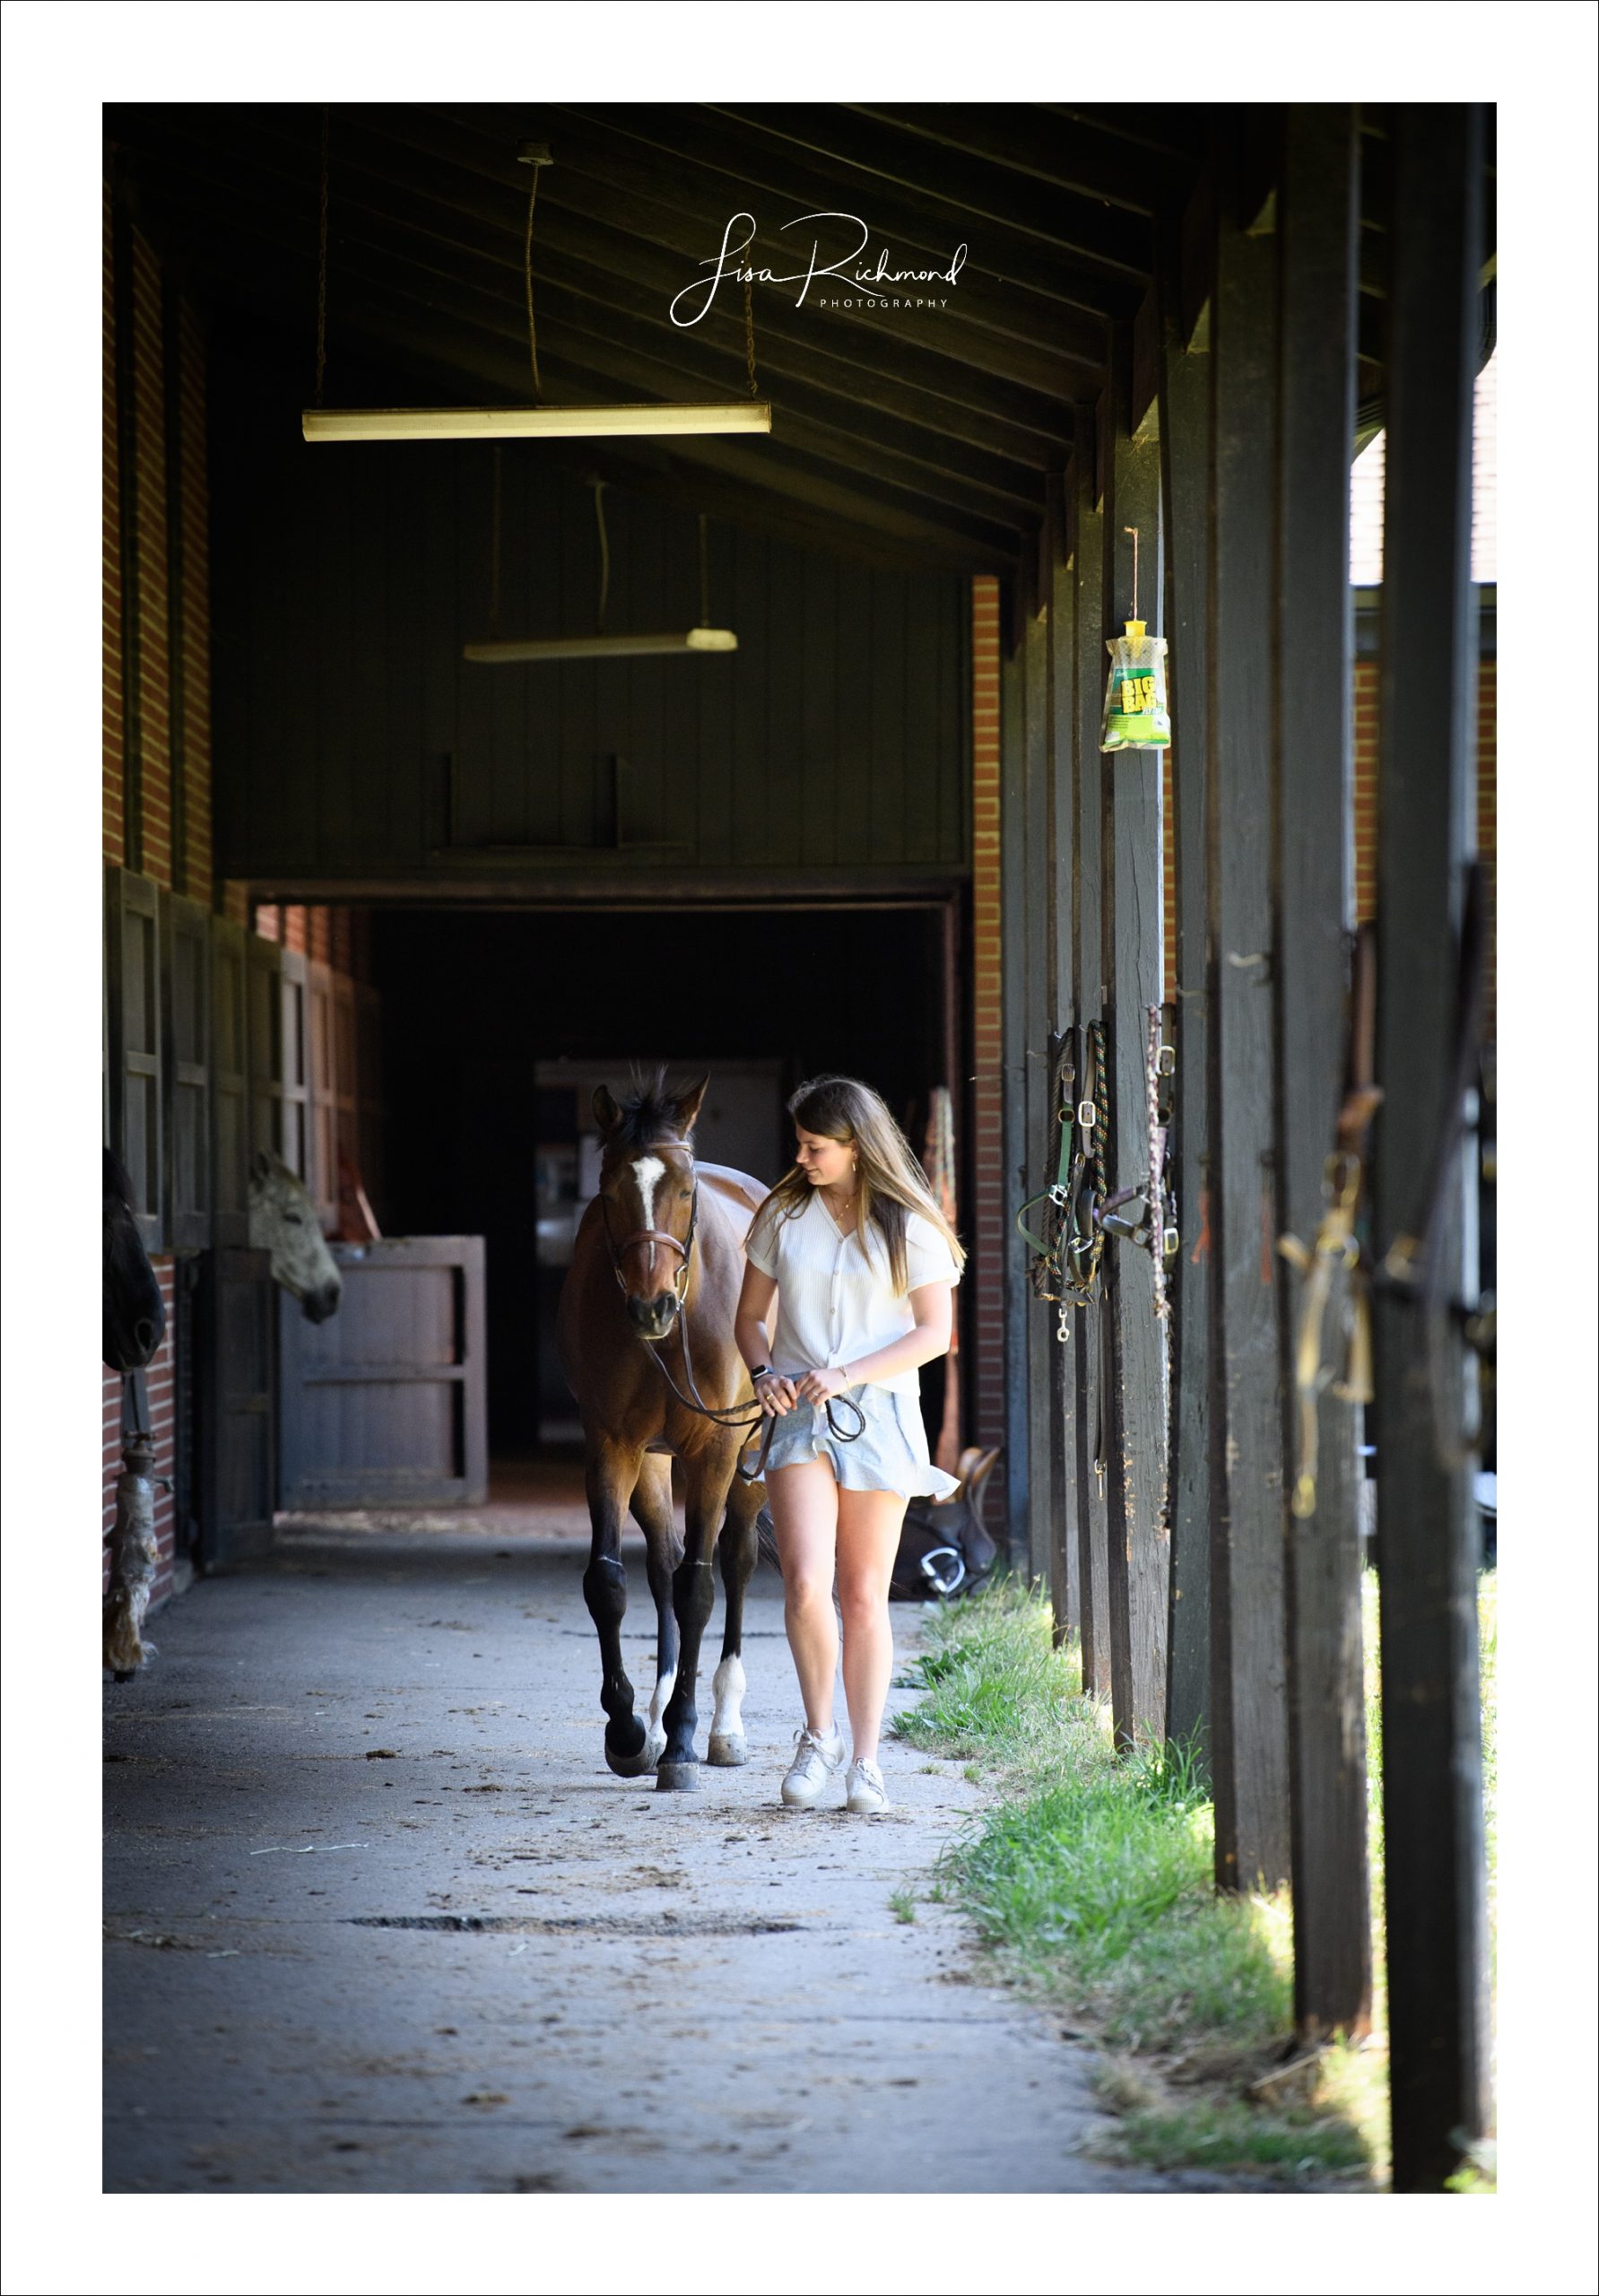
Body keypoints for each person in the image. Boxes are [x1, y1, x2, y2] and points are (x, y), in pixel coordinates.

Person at [734, 1075, 965, 1816]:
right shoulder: (781, 1215)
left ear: (857, 1147)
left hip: (882, 1414)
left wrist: (847, 1373)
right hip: (798, 1413)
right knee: (804, 1582)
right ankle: (817, 1736)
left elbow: (934, 1335)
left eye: (814, 1146)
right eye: (800, 1144)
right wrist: (764, 1372)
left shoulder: (912, 1226)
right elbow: (748, 1320)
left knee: (864, 1593)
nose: (800, 1157)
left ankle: (867, 1763)